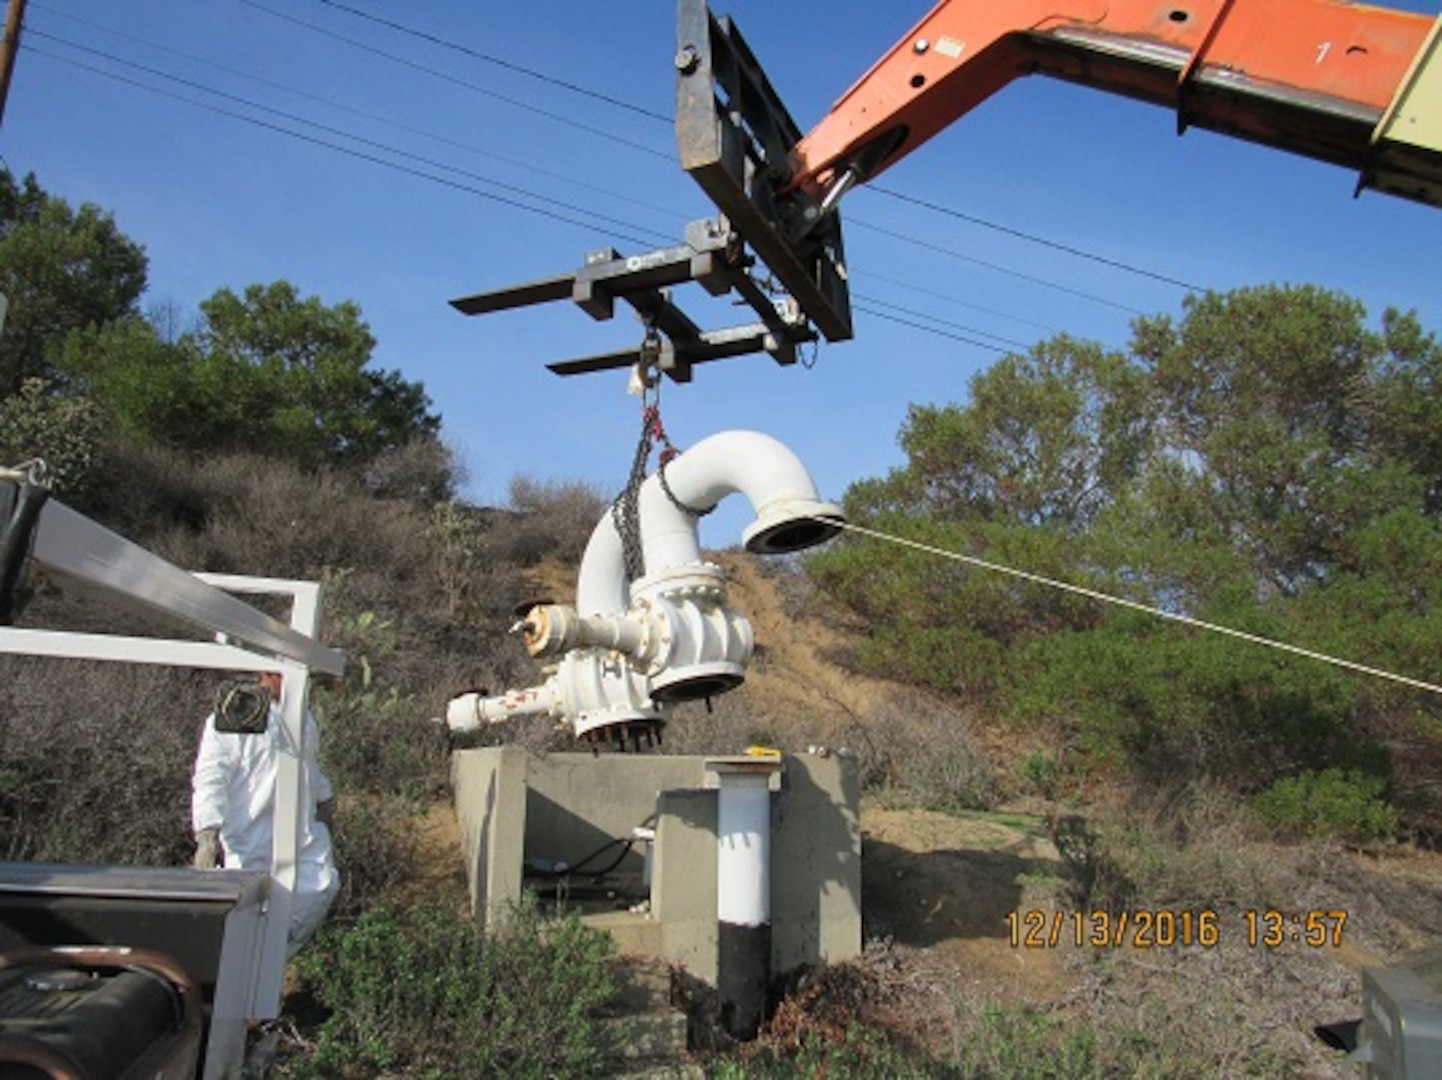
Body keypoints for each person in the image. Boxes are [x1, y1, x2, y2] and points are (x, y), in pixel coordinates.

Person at [191, 669, 339, 957]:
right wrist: (207, 832)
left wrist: (324, 799)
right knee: (246, 929)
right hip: (250, 844)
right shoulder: (236, 716)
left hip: (301, 843)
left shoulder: (303, 719)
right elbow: (212, 775)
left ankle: (265, 971)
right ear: (270, 673)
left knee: (322, 887)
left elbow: (308, 765)